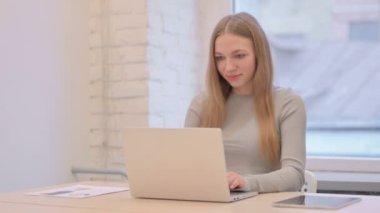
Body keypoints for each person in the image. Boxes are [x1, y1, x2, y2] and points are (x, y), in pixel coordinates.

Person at [184, 12, 306, 193]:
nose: (228, 67)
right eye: (220, 58)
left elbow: (294, 176)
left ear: (259, 55)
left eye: (239, 56)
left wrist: (246, 183)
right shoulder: (202, 103)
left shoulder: (288, 103)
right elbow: (184, 167)